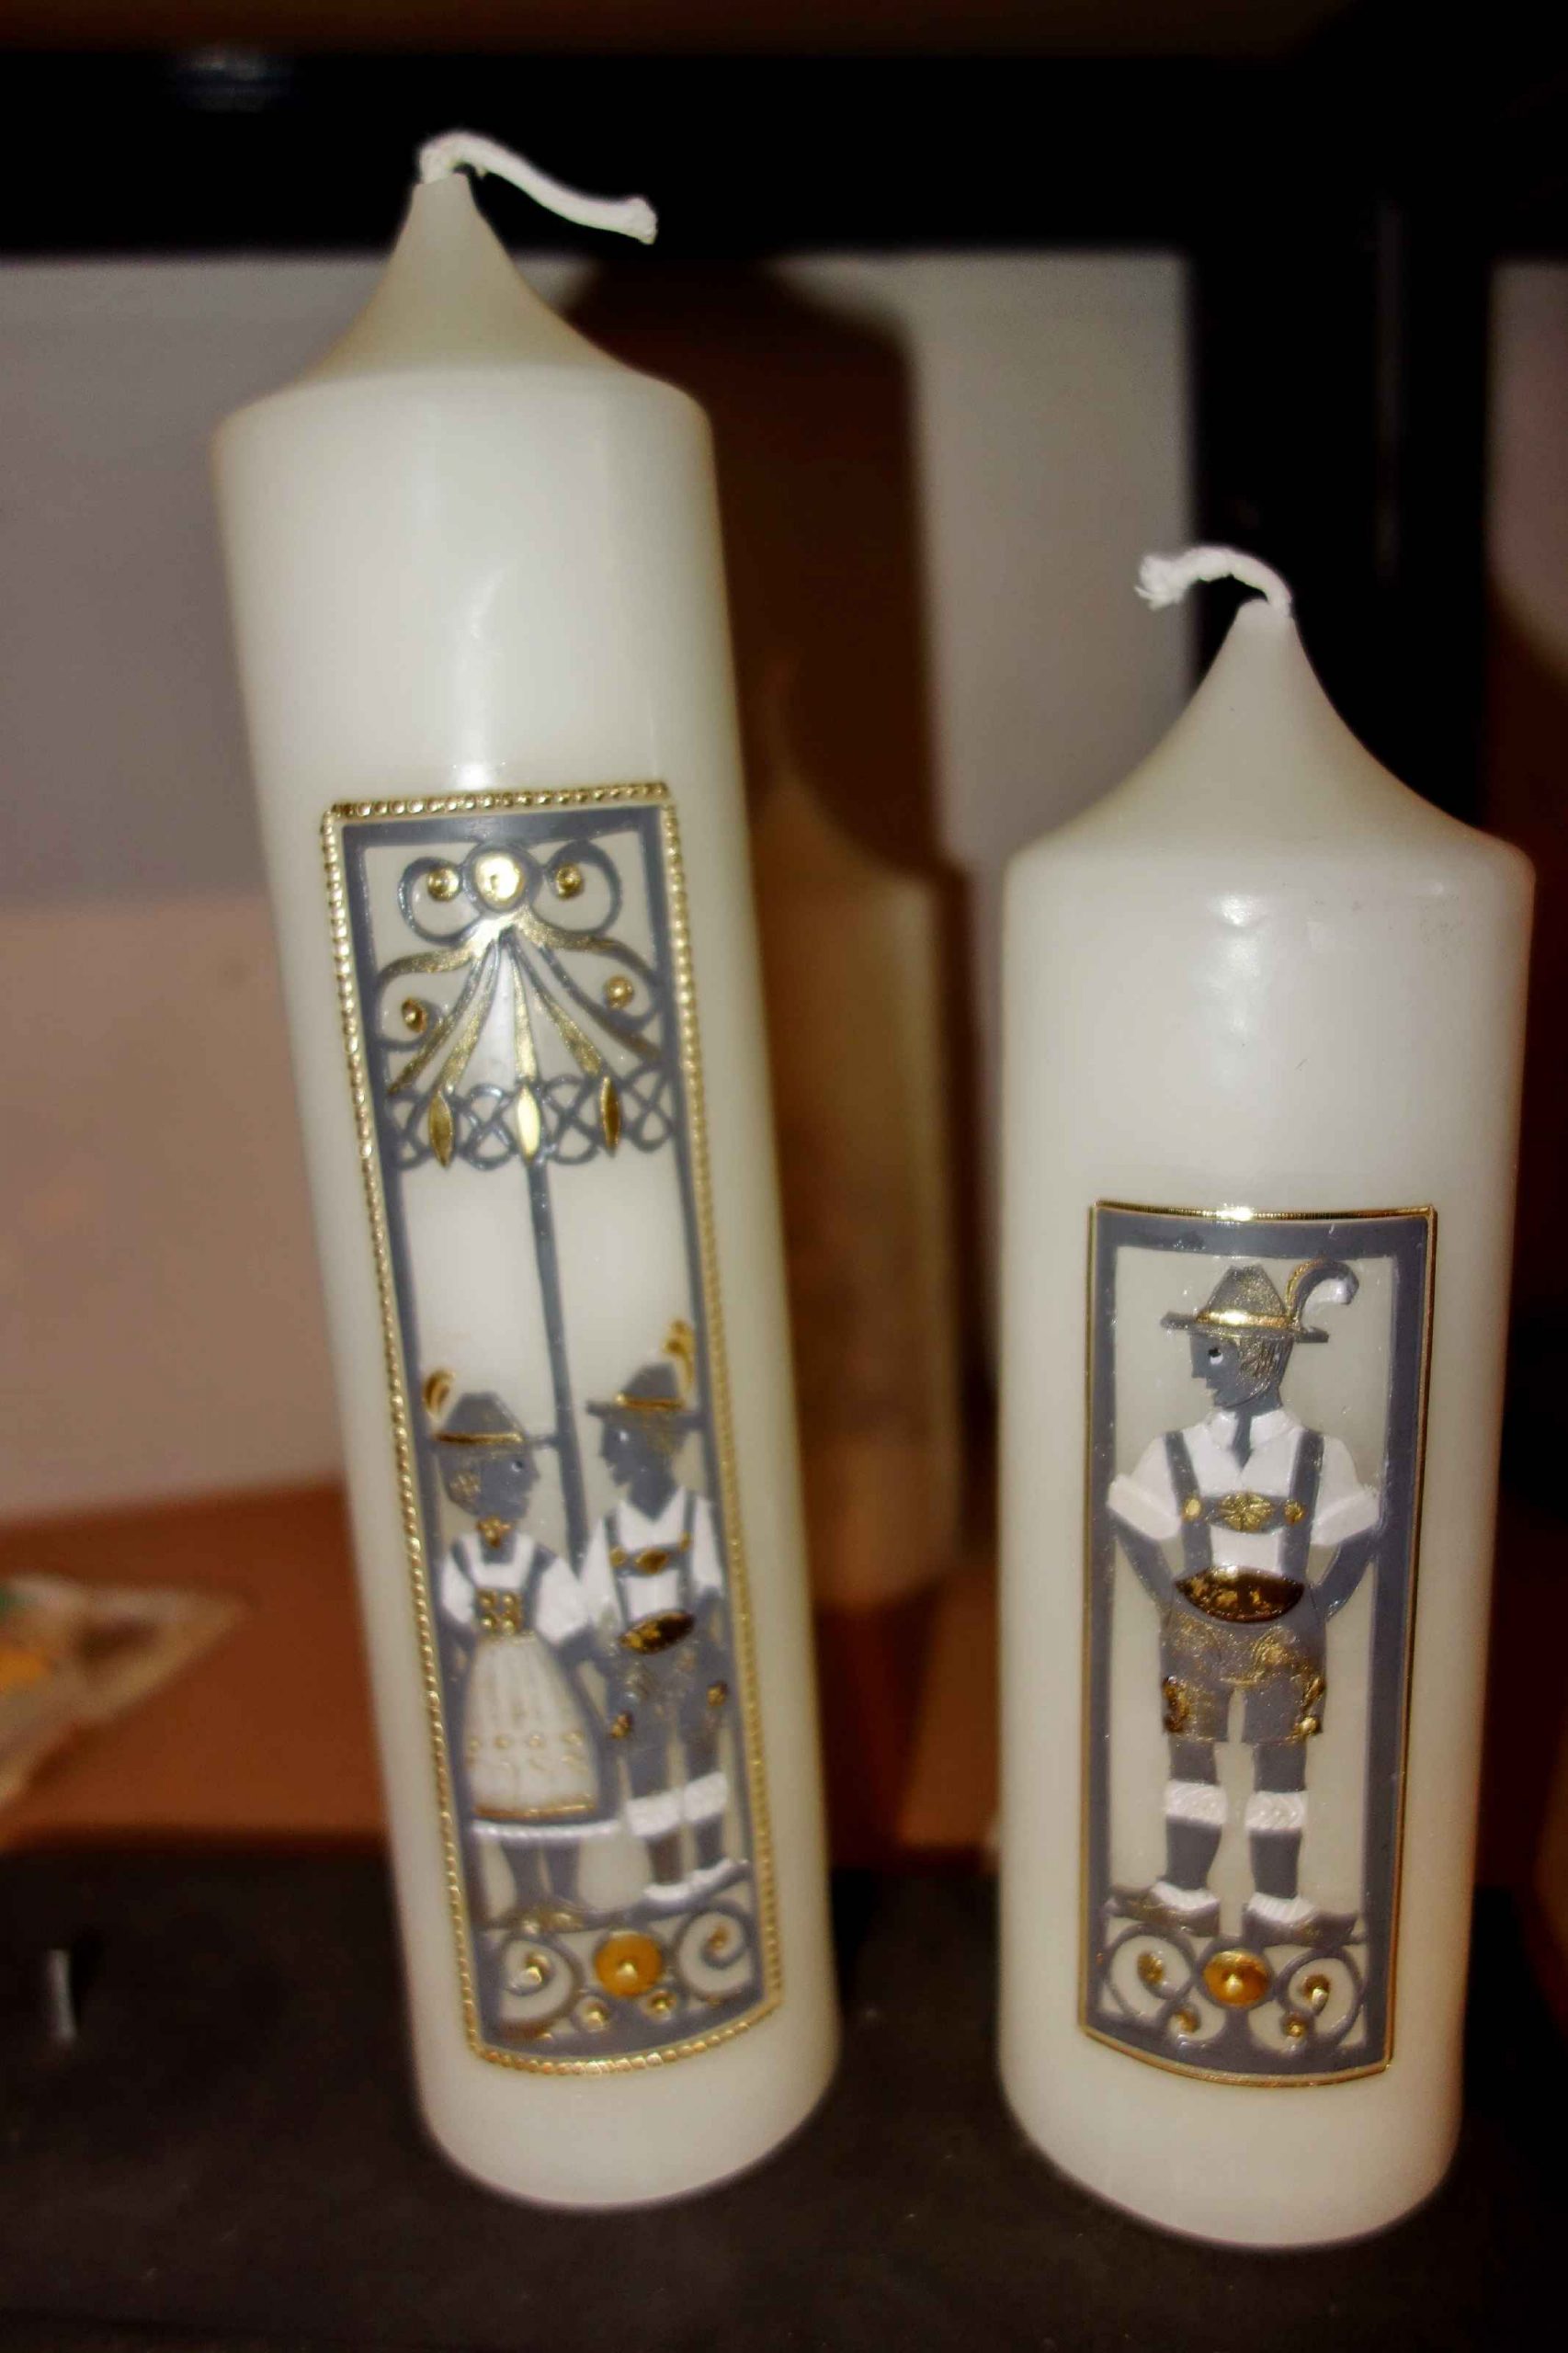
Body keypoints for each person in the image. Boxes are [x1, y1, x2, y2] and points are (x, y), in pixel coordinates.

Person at [1108, 1259, 1381, 1950]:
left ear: (1261, 1356)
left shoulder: (1319, 1456)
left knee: (1282, 1770)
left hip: (1287, 1639)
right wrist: (1167, 1598)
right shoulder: (1176, 1451)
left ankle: (1276, 1903)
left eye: (1213, 1352)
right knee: (1190, 1759)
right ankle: (1185, 1890)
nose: (1200, 1370)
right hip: (1195, 1635)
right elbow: (1132, 1524)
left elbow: (1358, 1536)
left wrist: (1320, 1606)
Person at [435, 1390, 608, 1930]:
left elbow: (570, 1625)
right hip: (490, 1686)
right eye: (515, 1469)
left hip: (537, 1680)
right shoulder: (459, 1559)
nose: (528, 1480)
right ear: (475, 1481)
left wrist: (597, 1661)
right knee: (502, 1785)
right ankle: (528, 1892)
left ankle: (565, 1892)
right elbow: (447, 1614)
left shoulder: (539, 1560)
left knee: (553, 1777)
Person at [578, 1333, 736, 1910]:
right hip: (638, 1669)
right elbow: (590, 1611)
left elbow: (713, 1590)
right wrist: (619, 1666)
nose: (606, 1452)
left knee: (701, 1759)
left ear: (651, 1442)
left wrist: (687, 1647)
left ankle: (712, 1863)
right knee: (645, 1772)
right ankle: (667, 1880)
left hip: (693, 1657)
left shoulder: (699, 1516)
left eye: (616, 1438)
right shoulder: (608, 1533)